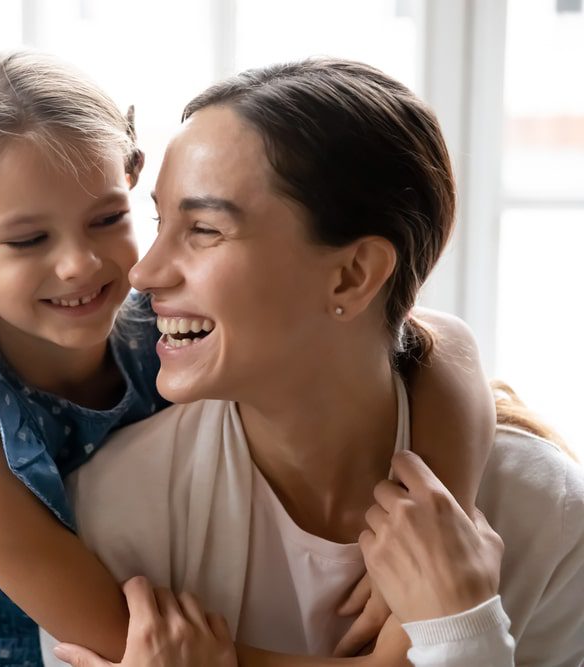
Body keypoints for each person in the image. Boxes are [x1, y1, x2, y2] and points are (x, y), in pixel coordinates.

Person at [0, 51, 497, 667]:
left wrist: (423, 520)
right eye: (28, 240)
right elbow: (118, 635)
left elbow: (443, 342)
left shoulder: (152, 332)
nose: (81, 263)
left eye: (107, 219)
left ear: (133, 180)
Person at [45, 59, 584, 667]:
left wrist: (466, 631)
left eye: (204, 230)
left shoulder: (546, 513)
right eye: (160, 221)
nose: (143, 273)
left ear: (352, 276)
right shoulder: (113, 513)